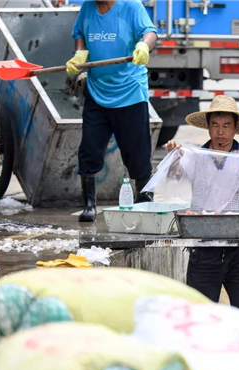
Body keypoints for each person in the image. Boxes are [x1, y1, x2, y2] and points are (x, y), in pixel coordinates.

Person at [164, 95, 239, 314]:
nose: (220, 132)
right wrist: (174, 155)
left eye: (226, 126)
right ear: (208, 127)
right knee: (201, 314)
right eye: (215, 125)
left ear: (235, 128)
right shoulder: (196, 155)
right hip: (204, 248)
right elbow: (174, 174)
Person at [67, 0, 157, 222]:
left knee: (137, 152)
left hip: (129, 92)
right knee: (89, 148)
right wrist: (80, 54)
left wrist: (144, 46)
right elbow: (79, 33)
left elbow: (150, 32)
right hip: (97, 91)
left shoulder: (131, 6)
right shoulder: (88, 7)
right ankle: (89, 205)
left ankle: (144, 199)